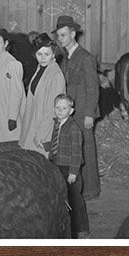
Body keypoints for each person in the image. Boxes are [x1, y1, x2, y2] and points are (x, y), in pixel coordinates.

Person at [53, 15, 100, 199]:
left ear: (73, 34)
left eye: (63, 35)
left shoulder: (86, 58)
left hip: (82, 112)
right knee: (73, 150)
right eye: (58, 35)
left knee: (86, 149)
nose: (60, 39)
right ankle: (78, 188)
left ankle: (91, 190)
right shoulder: (65, 57)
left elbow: (93, 88)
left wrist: (89, 114)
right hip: (69, 111)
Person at [49, 93, 89, 239]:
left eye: (64, 108)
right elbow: (58, 143)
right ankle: (64, 227)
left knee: (74, 201)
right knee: (62, 199)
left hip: (69, 169)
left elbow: (77, 153)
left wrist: (73, 172)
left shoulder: (74, 129)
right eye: (57, 107)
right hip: (57, 165)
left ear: (71, 111)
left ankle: (81, 231)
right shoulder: (57, 124)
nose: (60, 111)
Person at [18, 33, 65, 155]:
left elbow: (54, 110)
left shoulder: (56, 75)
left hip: (43, 132)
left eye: (47, 54)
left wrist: (41, 135)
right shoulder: (40, 69)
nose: (43, 58)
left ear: (53, 54)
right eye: (39, 54)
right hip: (32, 125)